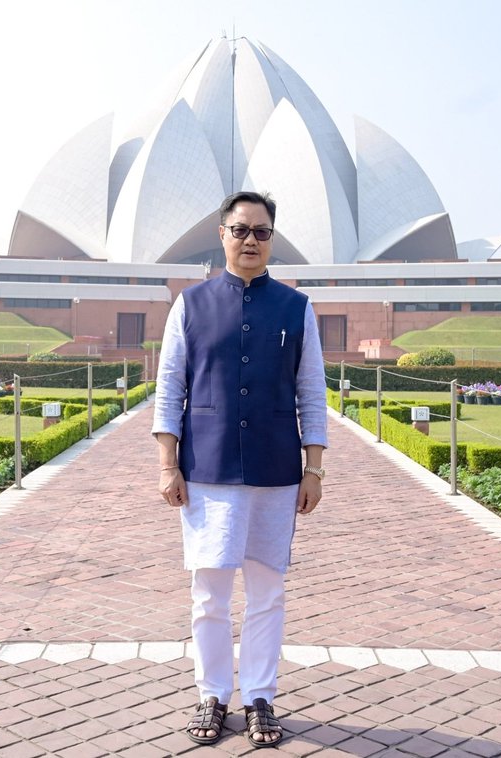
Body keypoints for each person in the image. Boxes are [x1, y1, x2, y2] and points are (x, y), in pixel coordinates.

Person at [152, 191, 328, 749]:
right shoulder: (192, 304)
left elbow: (311, 391)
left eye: (261, 231)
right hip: (207, 467)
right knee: (209, 592)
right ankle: (212, 693)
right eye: (240, 230)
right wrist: (166, 463)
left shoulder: (295, 308)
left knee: (268, 591)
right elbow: (169, 386)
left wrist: (314, 467)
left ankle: (259, 696)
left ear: (272, 239)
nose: (250, 240)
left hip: (276, 469)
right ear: (222, 235)